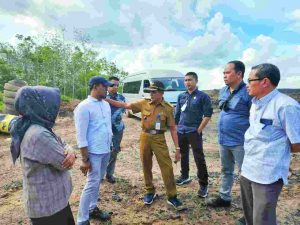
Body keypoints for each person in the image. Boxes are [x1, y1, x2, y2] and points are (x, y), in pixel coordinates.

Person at [236, 63, 300, 225]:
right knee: (250, 216)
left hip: (267, 175)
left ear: (264, 82)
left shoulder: (286, 106)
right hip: (249, 168)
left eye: (250, 80)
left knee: (263, 220)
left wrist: (277, 153)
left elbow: (297, 143)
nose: (246, 84)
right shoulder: (256, 103)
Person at [105, 81, 182, 208]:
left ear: (161, 93)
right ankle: (150, 191)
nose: (151, 94)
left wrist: (177, 148)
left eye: (154, 92)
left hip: (159, 138)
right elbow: (125, 105)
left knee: (166, 166)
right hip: (145, 136)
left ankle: (172, 196)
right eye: (150, 91)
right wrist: (107, 100)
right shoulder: (143, 103)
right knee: (146, 164)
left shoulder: (168, 108)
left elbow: (173, 128)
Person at [9, 86, 76, 225]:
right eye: (53, 106)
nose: (55, 110)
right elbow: (64, 163)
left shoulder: (33, 124)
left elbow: (60, 140)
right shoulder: (38, 134)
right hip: (49, 208)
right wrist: (71, 153)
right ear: (40, 106)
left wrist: (69, 148)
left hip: (51, 203)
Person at [207, 61, 252, 207]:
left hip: (240, 141)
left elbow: (255, 116)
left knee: (246, 174)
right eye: (223, 73)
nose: (224, 75)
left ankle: (250, 208)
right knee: (226, 170)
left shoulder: (248, 92)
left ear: (239, 74)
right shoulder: (223, 90)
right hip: (223, 139)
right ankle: (224, 197)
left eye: (227, 72)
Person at [74, 76, 113, 225]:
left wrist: (111, 145)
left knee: (97, 182)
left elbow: (107, 128)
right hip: (94, 153)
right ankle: (82, 220)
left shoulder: (105, 104)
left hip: (105, 150)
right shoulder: (84, 107)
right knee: (91, 184)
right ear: (96, 86)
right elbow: (81, 136)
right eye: (105, 86)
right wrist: (85, 159)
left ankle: (92, 208)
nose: (107, 89)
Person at [174, 72, 213, 198]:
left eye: (190, 80)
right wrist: (176, 128)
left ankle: (203, 184)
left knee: (198, 157)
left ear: (196, 81)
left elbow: (207, 115)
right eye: (185, 80)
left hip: (194, 131)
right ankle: (184, 176)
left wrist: (199, 130)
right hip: (181, 131)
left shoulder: (203, 97)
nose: (187, 82)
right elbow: (177, 114)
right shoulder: (181, 96)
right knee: (183, 154)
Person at [105, 76, 126, 183]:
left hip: (117, 129)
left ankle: (109, 174)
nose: (115, 87)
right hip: (104, 130)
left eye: (117, 85)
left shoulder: (121, 98)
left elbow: (122, 111)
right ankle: (99, 175)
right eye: (112, 84)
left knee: (114, 151)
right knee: (102, 152)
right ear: (107, 85)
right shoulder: (102, 97)